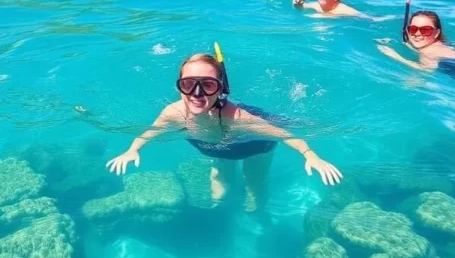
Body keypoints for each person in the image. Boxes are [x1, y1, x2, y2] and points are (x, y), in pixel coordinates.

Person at [105, 47, 342, 212]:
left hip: (255, 147)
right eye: (189, 84)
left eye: (208, 85)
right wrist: (133, 149)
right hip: (218, 148)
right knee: (219, 193)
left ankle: (258, 217)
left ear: (220, 89)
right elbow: (151, 131)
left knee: (254, 188)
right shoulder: (172, 113)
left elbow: (284, 134)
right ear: (179, 87)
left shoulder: (238, 118)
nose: (197, 94)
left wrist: (310, 155)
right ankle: (221, 207)